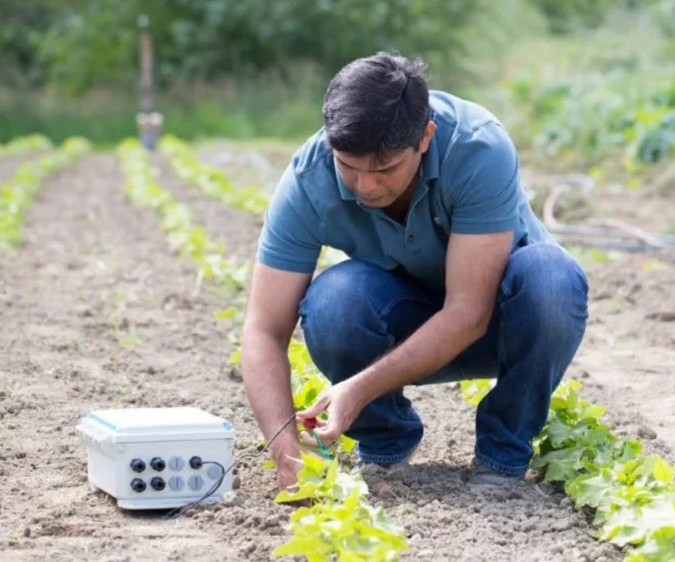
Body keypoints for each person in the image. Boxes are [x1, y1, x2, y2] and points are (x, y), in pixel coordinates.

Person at [240, 52, 589, 490]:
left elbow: (469, 314)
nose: (366, 186)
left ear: (425, 137)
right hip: (405, 321)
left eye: (385, 169)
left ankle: (502, 456)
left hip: (503, 321)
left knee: (552, 279)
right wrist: (284, 450)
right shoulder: (308, 180)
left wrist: (359, 387)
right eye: (348, 166)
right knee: (334, 301)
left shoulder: (477, 148)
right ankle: (384, 444)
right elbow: (263, 330)